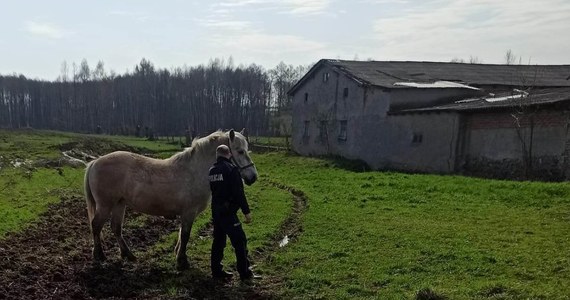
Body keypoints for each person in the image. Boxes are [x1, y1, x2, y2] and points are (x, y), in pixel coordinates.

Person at [208, 144, 260, 281]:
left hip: (216, 212)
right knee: (240, 241)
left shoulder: (212, 170)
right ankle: (244, 273)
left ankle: (216, 271)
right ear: (229, 154)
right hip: (228, 213)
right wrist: (246, 212)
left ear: (217, 155)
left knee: (218, 241)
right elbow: (239, 193)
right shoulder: (231, 170)